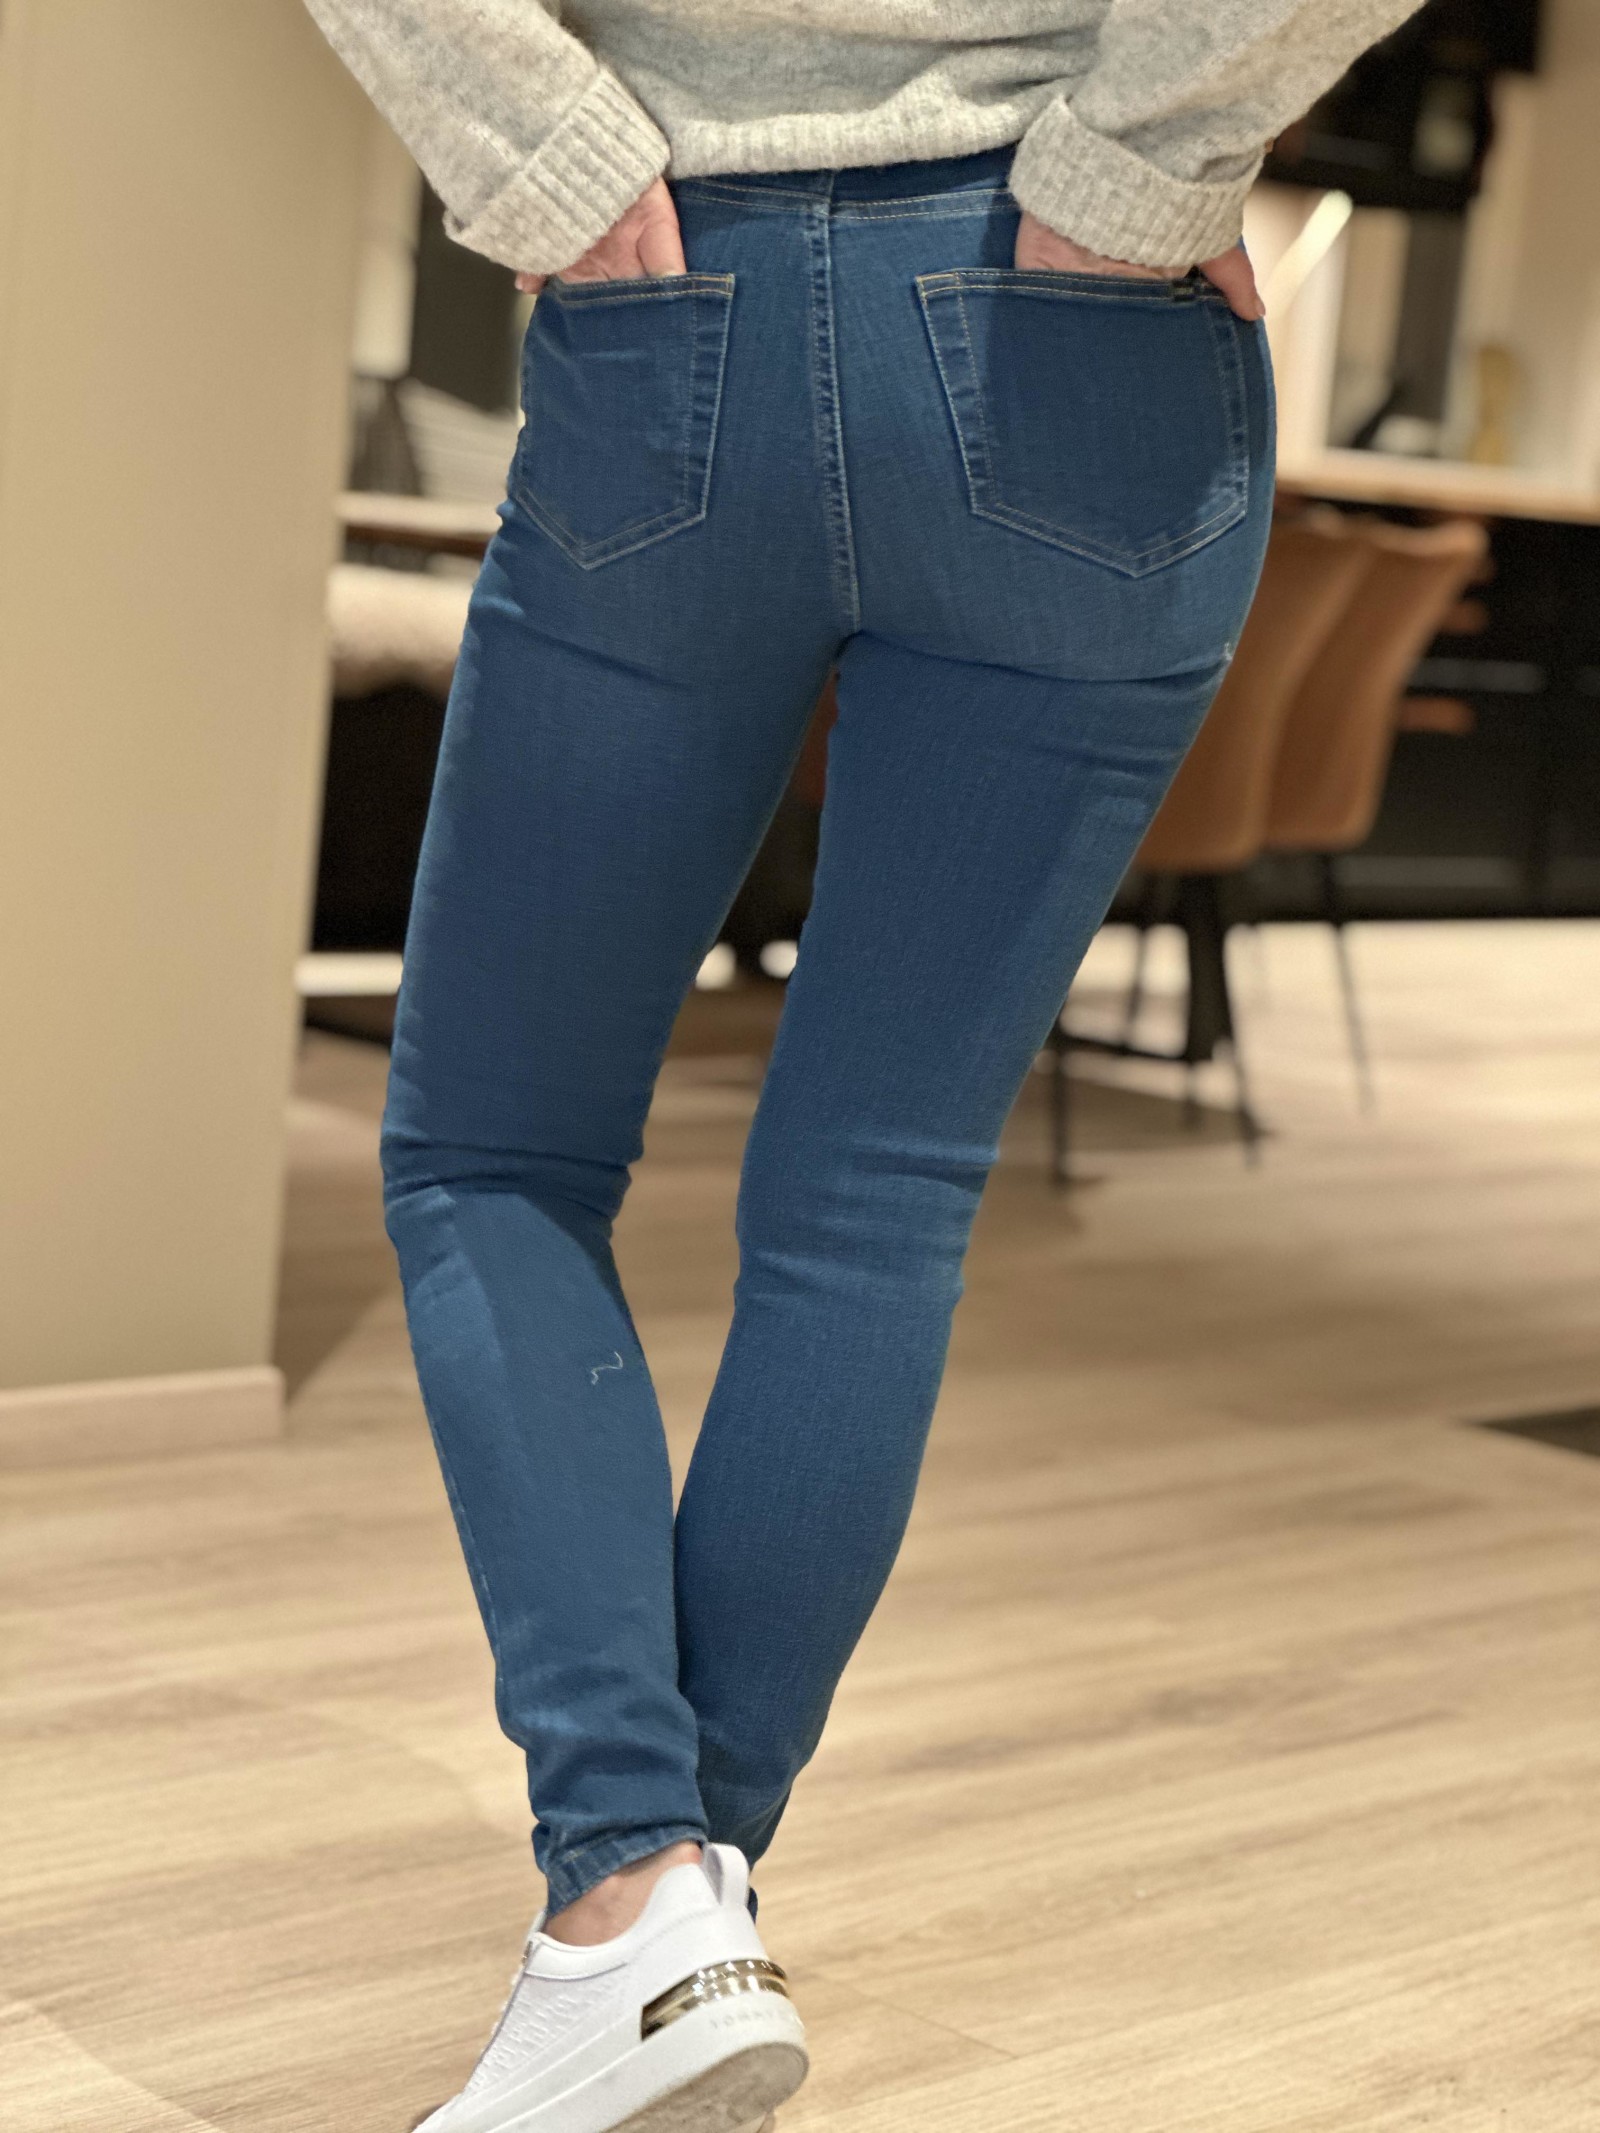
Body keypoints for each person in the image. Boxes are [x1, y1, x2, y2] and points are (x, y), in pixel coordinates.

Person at [304, 6, 1423, 2130]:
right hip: (1087, 335)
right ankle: (671, 1916)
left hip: (682, 300)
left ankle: (635, 1883)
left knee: (493, 1153)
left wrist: (539, 155)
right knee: (870, 1196)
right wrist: (1138, 159)